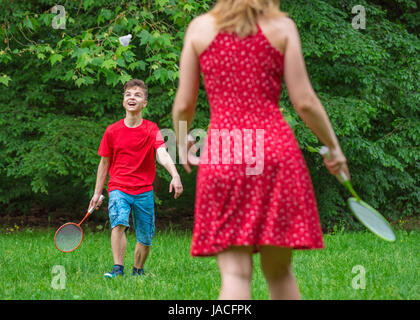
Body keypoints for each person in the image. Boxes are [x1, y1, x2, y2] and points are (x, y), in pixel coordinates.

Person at [172, 0, 351, 299]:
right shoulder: (282, 27)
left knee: (235, 275)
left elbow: (183, 105)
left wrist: (181, 139)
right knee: (280, 274)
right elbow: (304, 101)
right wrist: (333, 146)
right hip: (274, 151)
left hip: (224, 152)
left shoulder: (200, 28)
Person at [89, 79, 183, 278]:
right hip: (118, 187)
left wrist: (175, 175)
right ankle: (118, 269)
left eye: (137, 95)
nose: (132, 97)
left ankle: (138, 271)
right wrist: (97, 193)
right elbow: (104, 164)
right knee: (119, 222)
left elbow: (162, 153)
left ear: (144, 104)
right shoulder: (112, 131)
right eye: (128, 94)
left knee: (146, 236)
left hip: (143, 191)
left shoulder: (151, 129)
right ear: (123, 101)